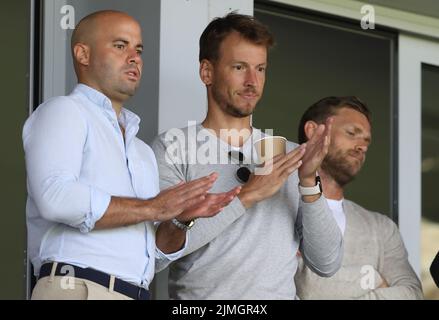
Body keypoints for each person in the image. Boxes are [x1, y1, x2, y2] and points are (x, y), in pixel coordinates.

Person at [23, 10, 239, 300]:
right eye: (120, 45)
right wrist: (153, 208)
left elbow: (152, 258)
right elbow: (56, 198)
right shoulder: (64, 111)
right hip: (77, 287)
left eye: (138, 49)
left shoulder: (141, 152)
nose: (134, 57)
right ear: (83, 54)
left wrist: (178, 220)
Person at [152, 13, 343, 299]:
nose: (253, 81)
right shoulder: (173, 146)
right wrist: (247, 196)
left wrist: (308, 181)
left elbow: (327, 263)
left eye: (261, 69)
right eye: (240, 67)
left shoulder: (291, 155)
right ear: (207, 72)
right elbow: (158, 252)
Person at [294, 96, 424, 299]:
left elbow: (412, 294)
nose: (362, 146)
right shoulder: (276, 207)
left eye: (366, 141)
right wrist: (373, 278)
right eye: (352, 133)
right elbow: (308, 288)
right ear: (313, 132)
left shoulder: (381, 227)